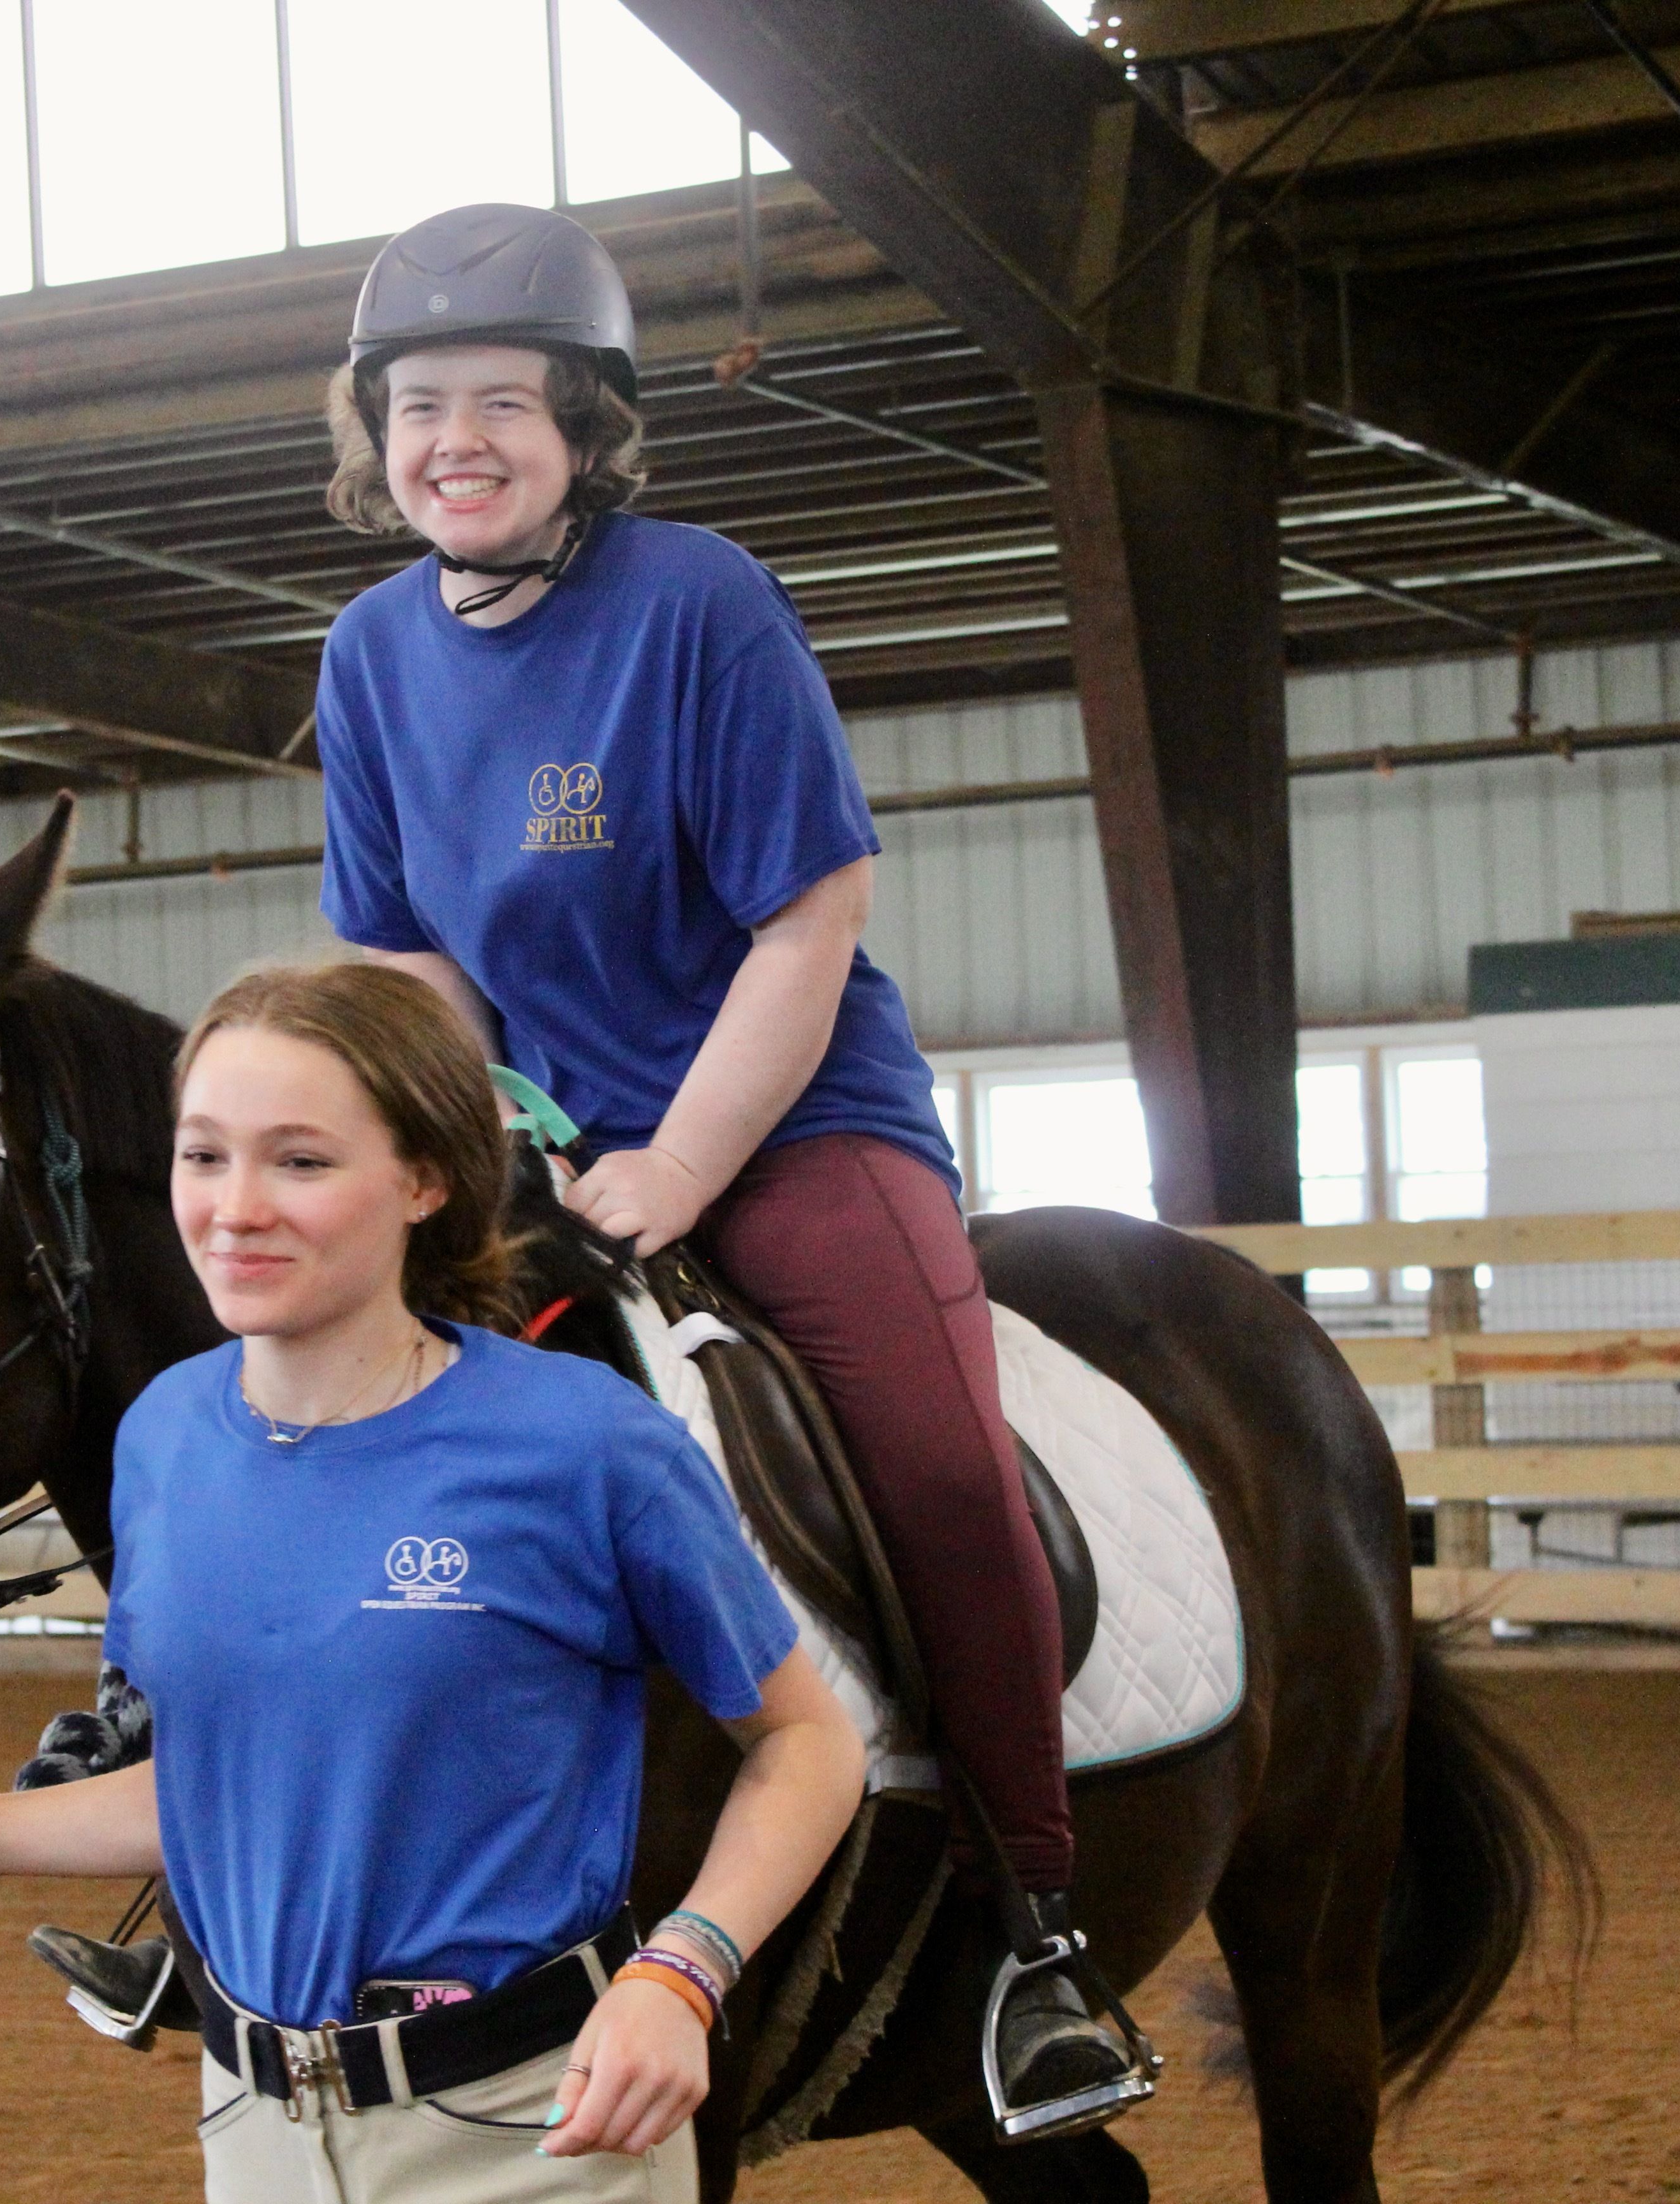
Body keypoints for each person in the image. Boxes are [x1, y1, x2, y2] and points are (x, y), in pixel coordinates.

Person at [308, 201, 1133, 2114]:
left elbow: (810, 914)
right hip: (536, 1142)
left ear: (586, 426)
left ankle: (1041, 1931)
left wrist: (678, 1166)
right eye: (418, 405)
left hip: (790, 1125)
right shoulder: (365, 652)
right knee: (330, 1402)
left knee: (934, 1464)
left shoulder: (700, 600)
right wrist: (469, 1140)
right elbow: (406, 953)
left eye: (502, 404)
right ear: (375, 435)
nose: (458, 442)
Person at [0, 961, 865, 2201]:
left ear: (424, 1178)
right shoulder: (164, 1440)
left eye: (299, 1161)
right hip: (256, 2136)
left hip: (537, 2140)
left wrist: (685, 1970)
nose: (235, 1208)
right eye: (204, 1157)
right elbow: (211, 1789)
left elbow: (806, 1744)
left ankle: (1025, 1935)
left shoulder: (588, 1444)